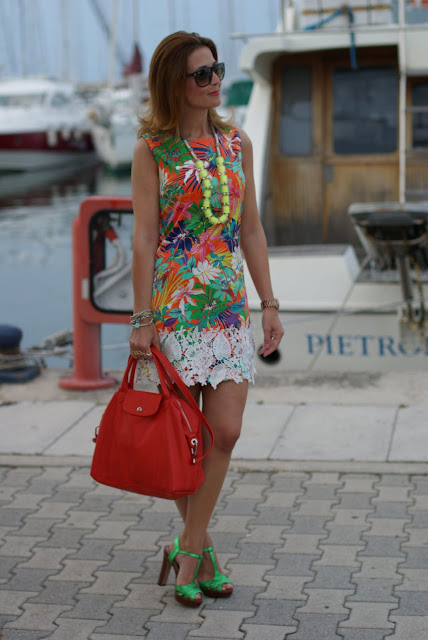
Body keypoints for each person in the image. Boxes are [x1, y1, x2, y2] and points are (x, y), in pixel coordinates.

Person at [130, 31, 284, 608]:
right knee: (184, 441)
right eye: (202, 73)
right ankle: (201, 553)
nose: (215, 79)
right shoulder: (152, 151)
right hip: (173, 314)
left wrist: (268, 304)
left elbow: (251, 230)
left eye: (216, 69)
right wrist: (141, 318)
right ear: (175, 83)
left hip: (226, 314)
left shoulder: (236, 143)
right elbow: (144, 237)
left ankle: (186, 547)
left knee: (226, 432)